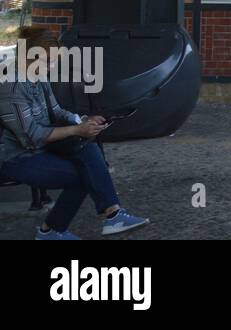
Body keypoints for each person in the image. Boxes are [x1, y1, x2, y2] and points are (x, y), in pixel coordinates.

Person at [0, 26, 149, 240]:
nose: (51, 66)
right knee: (86, 174)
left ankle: (113, 215)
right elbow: (31, 135)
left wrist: (83, 120)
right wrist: (76, 129)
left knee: (87, 152)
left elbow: (57, 111)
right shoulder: (11, 86)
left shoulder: (37, 76)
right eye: (47, 60)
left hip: (42, 148)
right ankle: (51, 231)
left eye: (53, 60)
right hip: (17, 158)